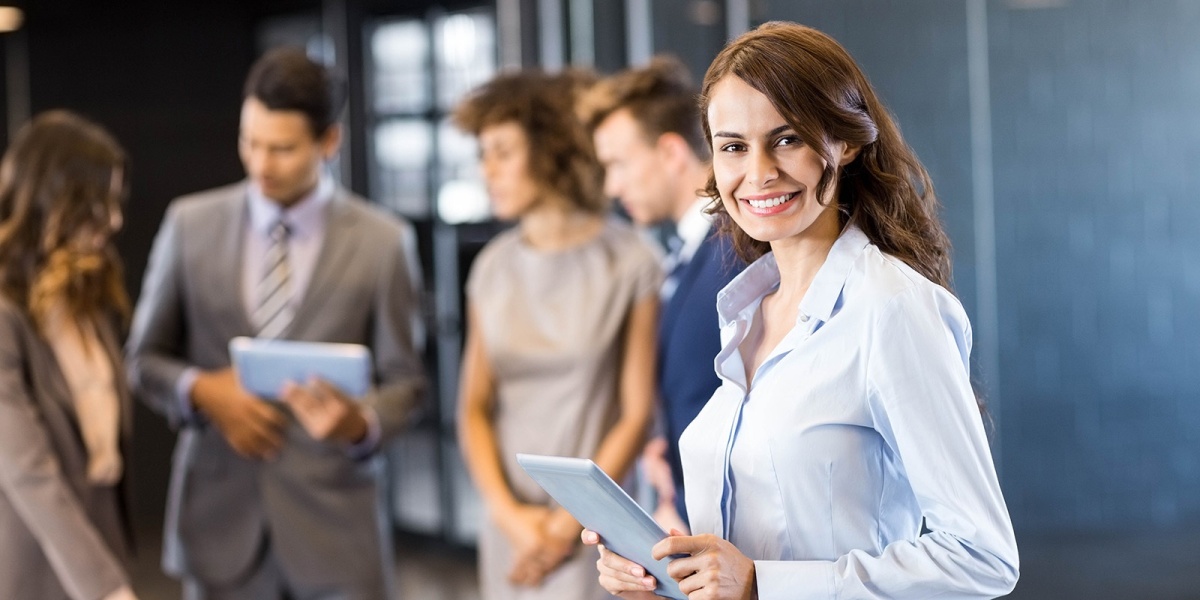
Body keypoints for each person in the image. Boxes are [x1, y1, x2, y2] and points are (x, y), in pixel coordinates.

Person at [584, 21, 1019, 599]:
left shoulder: (892, 308)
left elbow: (981, 557)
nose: (759, 172)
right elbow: (757, 539)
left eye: (786, 139)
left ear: (847, 141)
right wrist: (666, 568)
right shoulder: (746, 310)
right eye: (733, 147)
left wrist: (764, 584)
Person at [126, 47, 426, 600]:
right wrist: (202, 390)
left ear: (328, 142)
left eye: (282, 149)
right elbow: (143, 359)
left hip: (336, 533)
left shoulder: (384, 242)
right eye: (250, 142)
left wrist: (359, 424)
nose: (260, 164)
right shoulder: (188, 224)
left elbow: (406, 381)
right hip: (218, 528)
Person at [453, 68, 660, 600]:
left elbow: (636, 415)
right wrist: (513, 519)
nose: (487, 171)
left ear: (551, 150)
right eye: (483, 155)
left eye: (501, 152)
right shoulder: (493, 268)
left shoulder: (632, 262)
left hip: (597, 533)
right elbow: (473, 407)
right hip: (511, 530)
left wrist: (566, 527)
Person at [583, 55, 744, 533]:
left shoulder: (736, 254)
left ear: (672, 153)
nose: (612, 186)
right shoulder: (690, 252)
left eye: (618, 165)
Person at [0, 111, 138, 600]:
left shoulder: (84, 293)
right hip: (34, 563)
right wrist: (105, 588)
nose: (114, 220)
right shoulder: (4, 312)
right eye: (97, 204)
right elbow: (25, 468)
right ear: (49, 199)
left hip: (100, 535)